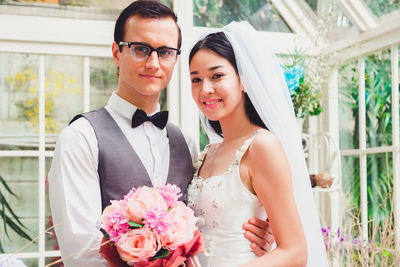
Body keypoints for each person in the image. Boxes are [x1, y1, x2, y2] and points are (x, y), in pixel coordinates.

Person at [48, 1, 271, 266]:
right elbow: (81, 254)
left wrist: (253, 236)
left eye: (164, 52)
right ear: (117, 53)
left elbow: (204, 229)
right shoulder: (81, 138)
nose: (153, 63)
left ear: (175, 58)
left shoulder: (186, 144)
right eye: (141, 49)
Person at [187, 21, 329, 266]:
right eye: (196, 79)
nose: (205, 89)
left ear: (244, 80)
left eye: (217, 75)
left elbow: (295, 251)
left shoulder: (262, 146)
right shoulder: (207, 153)